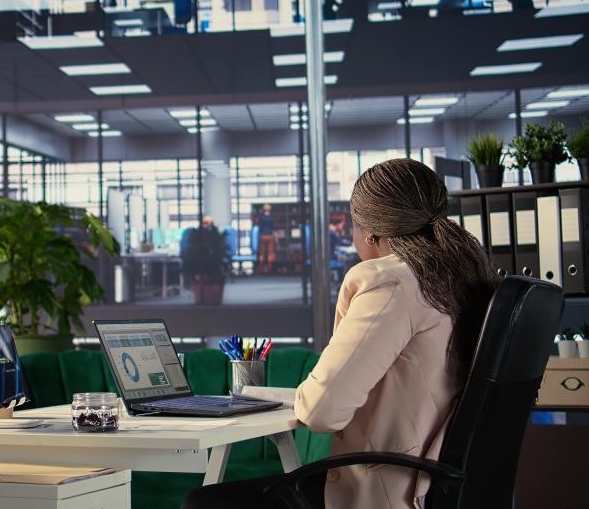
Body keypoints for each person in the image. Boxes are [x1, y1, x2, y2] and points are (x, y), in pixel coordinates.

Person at [182, 159, 500, 509]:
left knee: (204, 503)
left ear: (369, 232)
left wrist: (308, 393)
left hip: (383, 490)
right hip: (430, 483)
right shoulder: (462, 279)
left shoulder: (390, 282)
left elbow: (323, 412)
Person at [255, 204, 277, 274]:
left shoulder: (261, 218)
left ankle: (261, 268)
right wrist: (276, 238)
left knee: (261, 253)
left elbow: (259, 227)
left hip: (262, 236)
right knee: (270, 253)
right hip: (270, 235)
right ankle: (269, 268)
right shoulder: (272, 218)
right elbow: (273, 229)